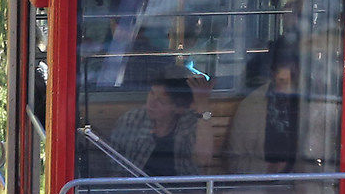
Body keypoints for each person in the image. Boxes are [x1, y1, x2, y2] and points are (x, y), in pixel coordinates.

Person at [226, 38, 302, 174]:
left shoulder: (314, 104)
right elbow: (234, 162)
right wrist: (267, 169)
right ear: (271, 72)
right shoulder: (251, 106)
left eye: (292, 79)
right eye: (281, 81)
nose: (285, 89)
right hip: (260, 187)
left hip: (305, 188)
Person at [108, 77, 208, 177]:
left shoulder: (189, 122)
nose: (151, 103)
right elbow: (115, 166)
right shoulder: (131, 120)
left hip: (180, 189)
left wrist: (203, 104)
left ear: (179, 109)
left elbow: (203, 159)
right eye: (151, 93)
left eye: (161, 101)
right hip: (135, 188)